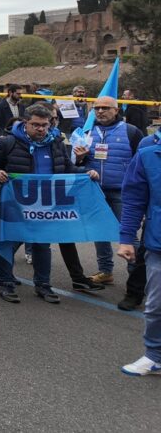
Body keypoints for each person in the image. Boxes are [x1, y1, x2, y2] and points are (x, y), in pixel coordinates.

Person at [0, 103, 103, 304]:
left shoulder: (56, 142)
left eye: (44, 125)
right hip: (15, 204)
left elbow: (67, 167)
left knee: (42, 245)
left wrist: (85, 172)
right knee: (7, 243)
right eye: (35, 125)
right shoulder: (7, 142)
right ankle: (5, 283)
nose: (41, 129)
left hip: (45, 205)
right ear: (25, 123)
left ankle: (43, 285)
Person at [76, 95, 144, 285]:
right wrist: (80, 161)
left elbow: (143, 161)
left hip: (123, 193)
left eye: (105, 108)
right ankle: (106, 271)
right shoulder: (86, 132)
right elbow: (73, 163)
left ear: (116, 110)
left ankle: (137, 276)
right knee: (99, 232)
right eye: (96, 108)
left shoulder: (131, 131)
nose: (100, 111)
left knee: (129, 234)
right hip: (95, 191)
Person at [117, 127, 161, 375]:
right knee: (156, 306)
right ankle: (155, 356)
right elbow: (134, 200)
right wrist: (126, 238)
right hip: (158, 244)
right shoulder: (147, 155)